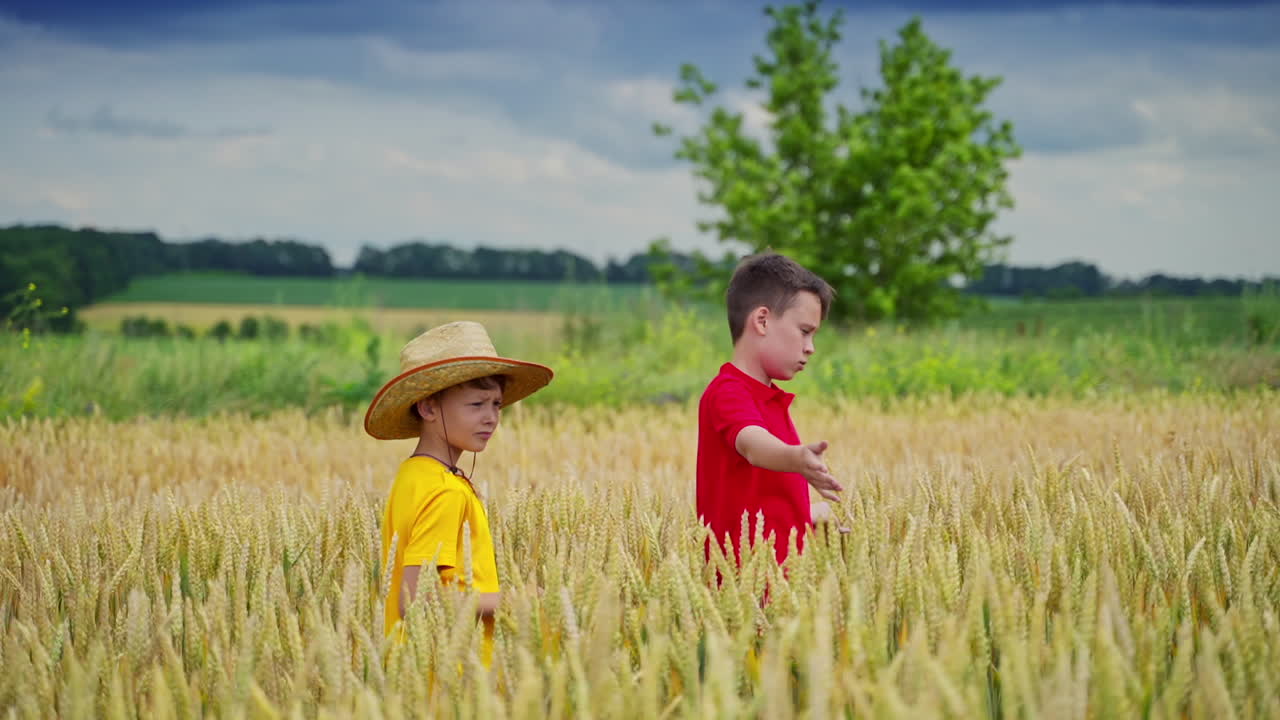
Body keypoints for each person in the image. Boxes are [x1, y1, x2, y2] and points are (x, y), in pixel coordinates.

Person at [365, 320, 553, 663]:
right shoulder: (445, 492)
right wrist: (515, 599)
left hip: (417, 665)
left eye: (496, 404)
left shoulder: (413, 475)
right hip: (450, 671)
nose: (491, 418)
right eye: (476, 405)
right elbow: (415, 598)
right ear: (428, 408)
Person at [696, 252, 841, 567]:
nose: (810, 347)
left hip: (777, 583)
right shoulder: (727, 392)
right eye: (805, 331)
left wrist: (807, 518)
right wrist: (796, 458)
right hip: (742, 591)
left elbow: (761, 503)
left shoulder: (770, 398)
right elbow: (752, 445)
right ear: (762, 321)